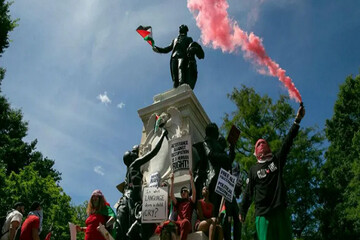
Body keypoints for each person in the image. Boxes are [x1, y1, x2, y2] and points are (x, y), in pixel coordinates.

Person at [239, 105, 306, 240]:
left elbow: (287, 142)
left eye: (264, 142)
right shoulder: (253, 170)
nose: (261, 144)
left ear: (268, 147)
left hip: (280, 210)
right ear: (255, 152)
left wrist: (297, 120)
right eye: (258, 144)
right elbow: (248, 191)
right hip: (263, 215)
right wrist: (242, 210)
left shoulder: (276, 160)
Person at [116, 129, 168, 240]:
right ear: (131, 158)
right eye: (135, 153)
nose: (137, 153)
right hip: (132, 199)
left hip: (129, 198)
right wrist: (162, 136)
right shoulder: (134, 165)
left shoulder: (129, 171)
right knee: (137, 221)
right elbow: (153, 152)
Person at [153, 25, 204, 90]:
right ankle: (175, 88)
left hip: (182, 56)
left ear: (185, 30)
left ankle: (181, 85)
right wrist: (158, 49)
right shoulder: (175, 40)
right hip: (174, 57)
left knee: (181, 68)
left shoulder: (188, 39)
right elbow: (167, 49)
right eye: (180, 28)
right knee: (175, 74)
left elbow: (191, 47)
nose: (179, 29)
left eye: (181, 28)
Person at [169, 170, 196, 240]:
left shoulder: (190, 201)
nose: (183, 192)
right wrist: (172, 181)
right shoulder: (179, 202)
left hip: (186, 224)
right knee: (167, 224)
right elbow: (171, 195)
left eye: (185, 191)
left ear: (187, 193)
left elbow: (194, 192)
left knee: (185, 222)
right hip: (178, 224)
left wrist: (191, 179)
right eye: (182, 191)